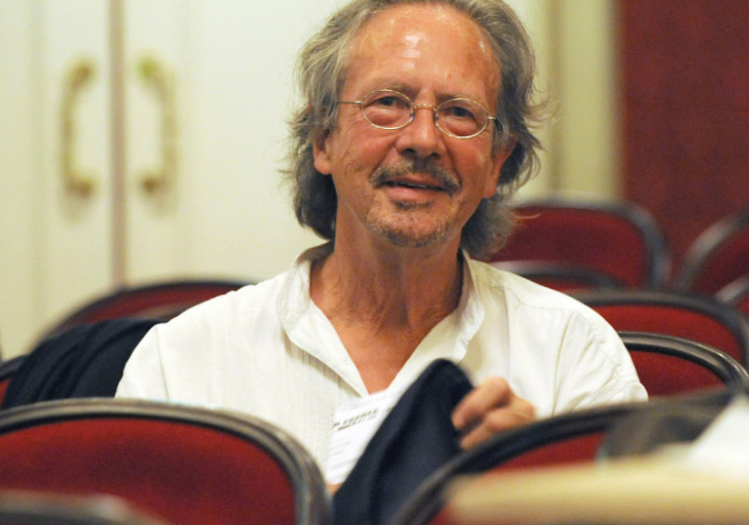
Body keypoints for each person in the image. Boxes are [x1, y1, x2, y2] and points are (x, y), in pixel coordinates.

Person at [116, 0, 647, 481]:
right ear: (323, 139)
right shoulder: (185, 363)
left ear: (496, 163)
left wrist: (535, 480)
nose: (423, 139)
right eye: (388, 102)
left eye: (459, 113)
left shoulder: (571, 354)